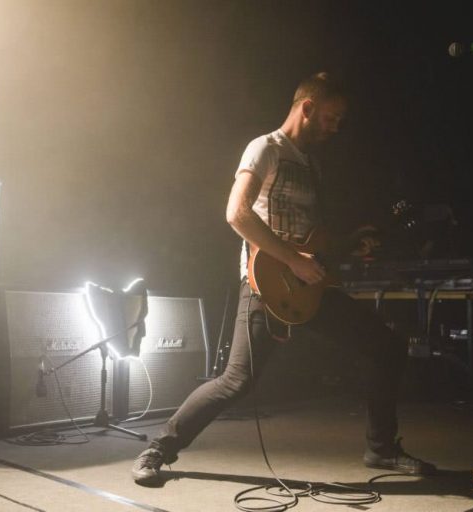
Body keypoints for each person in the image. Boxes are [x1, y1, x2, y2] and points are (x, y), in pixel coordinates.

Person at [131, 72, 436, 486]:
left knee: (387, 346)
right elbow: (237, 213)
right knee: (235, 381)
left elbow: (313, 240)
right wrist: (293, 260)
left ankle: (380, 449)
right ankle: (158, 449)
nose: (336, 127)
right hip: (267, 285)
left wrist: (350, 244)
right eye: (331, 117)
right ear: (306, 108)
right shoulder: (265, 148)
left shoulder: (312, 164)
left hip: (308, 286)